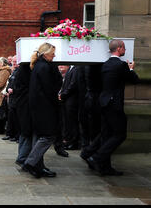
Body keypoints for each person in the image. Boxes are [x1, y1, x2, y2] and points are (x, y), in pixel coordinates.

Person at [83, 39, 139, 176]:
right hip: (114, 105)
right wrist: (131, 69)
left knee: (107, 134)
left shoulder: (106, 64)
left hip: (103, 102)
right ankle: (96, 158)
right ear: (119, 49)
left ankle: (99, 161)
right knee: (120, 134)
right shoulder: (120, 65)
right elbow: (135, 80)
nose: (125, 51)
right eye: (124, 48)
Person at [23, 43, 62, 178]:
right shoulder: (45, 67)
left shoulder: (39, 66)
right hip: (44, 107)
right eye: (52, 54)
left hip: (37, 107)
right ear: (45, 54)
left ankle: (38, 166)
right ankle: (31, 162)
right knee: (48, 135)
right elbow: (50, 88)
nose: (54, 56)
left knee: (38, 136)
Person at [59, 65, 80, 150]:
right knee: (68, 122)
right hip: (66, 100)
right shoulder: (71, 69)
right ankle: (68, 141)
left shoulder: (76, 69)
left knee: (73, 122)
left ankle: (74, 143)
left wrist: (63, 95)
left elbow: (73, 85)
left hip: (72, 100)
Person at [3, 56, 20, 142]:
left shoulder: (20, 71)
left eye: (16, 61)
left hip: (17, 98)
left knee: (16, 118)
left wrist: (14, 90)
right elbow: (9, 83)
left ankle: (16, 136)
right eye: (13, 61)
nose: (14, 63)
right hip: (12, 98)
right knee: (11, 117)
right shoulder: (13, 71)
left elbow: (21, 86)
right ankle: (10, 134)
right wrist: (7, 89)